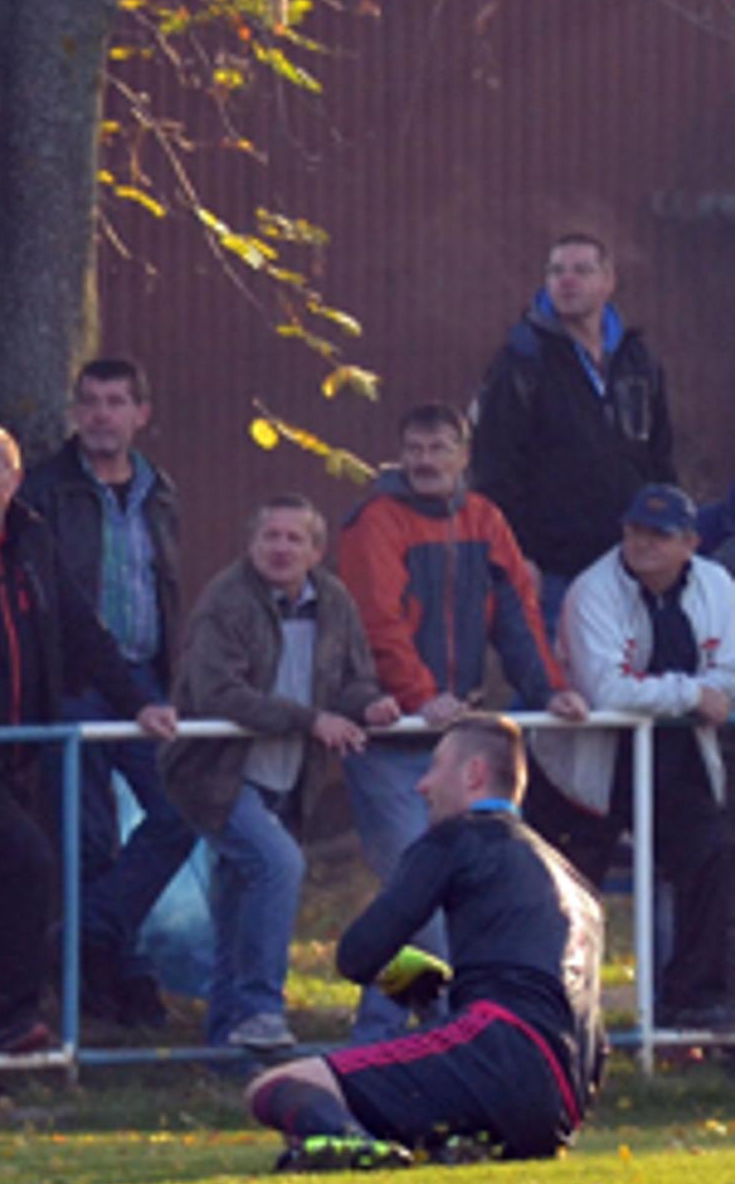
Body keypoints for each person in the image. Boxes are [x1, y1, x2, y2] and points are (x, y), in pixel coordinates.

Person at [0, 422, 178, 1058]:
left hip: (19, 749)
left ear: (11, 479)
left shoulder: (33, 541)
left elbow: (82, 630)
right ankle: (12, 1014)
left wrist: (139, 701)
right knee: (30, 858)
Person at [248, 716, 606, 1170]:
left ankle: (355, 1146)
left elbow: (358, 954)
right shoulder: (573, 879)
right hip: (564, 1099)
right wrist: (433, 988)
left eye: (434, 767)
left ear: (473, 774)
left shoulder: (459, 837)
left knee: (275, 1086)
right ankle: (458, 1141)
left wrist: (415, 982)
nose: (422, 785)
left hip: (498, 1046)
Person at [332, 402, 585, 1041]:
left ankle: (414, 1027)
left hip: (456, 736)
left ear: (462, 455)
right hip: (393, 738)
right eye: (414, 449)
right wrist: (419, 698)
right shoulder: (376, 521)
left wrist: (549, 688)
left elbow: (519, 613)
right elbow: (378, 623)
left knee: (455, 900)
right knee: (409, 903)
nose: (426, 461)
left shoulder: (483, 519)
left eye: (439, 448)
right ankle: (396, 1033)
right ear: (399, 454)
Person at [159, 497, 398, 1051]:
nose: (281, 548)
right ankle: (263, 1011)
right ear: (251, 544)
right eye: (271, 536)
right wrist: (312, 720)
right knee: (278, 864)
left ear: (316, 551)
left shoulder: (334, 601)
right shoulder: (226, 600)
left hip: (290, 778)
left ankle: (227, 1047)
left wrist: (371, 705)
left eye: (295, 539)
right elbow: (219, 693)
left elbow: (352, 681)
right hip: (218, 774)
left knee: (239, 905)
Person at [18, 358, 192, 1032]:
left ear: (139, 413)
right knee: (87, 837)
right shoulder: (47, 490)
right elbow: (59, 608)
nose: (100, 415)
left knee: (179, 811)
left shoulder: (159, 491)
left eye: (115, 402)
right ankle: (116, 984)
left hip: (145, 676)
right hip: (76, 683)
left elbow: (167, 589)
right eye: (88, 401)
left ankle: (83, 936)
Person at [529, 484, 735, 1026]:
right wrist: (692, 695)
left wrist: (701, 693)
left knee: (712, 858)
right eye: (636, 531)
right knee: (565, 890)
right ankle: (549, 1010)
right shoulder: (593, 590)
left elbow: (729, 675)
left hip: (678, 761)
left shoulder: (717, 586)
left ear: (690, 542)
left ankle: (693, 1003)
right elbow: (608, 691)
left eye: (659, 535)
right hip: (587, 770)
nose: (643, 544)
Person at [468, 233, 674, 628]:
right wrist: (518, 553)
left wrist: (665, 536)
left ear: (608, 280)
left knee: (628, 679)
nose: (567, 280)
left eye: (581, 270)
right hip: (554, 566)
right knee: (555, 682)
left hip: (630, 559)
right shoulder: (521, 361)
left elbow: (660, 456)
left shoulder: (637, 359)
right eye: (556, 271)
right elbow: (495, 466)